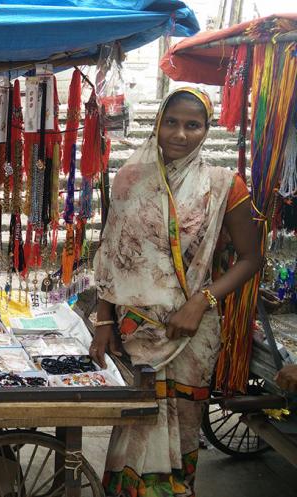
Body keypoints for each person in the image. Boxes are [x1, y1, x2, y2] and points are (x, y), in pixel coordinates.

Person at [90, 87, 263, 496]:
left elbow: (252, 258)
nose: (180, 134)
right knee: (134, 427)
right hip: (136, 328)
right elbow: (113, 253)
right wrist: (102, 319)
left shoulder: (223, 186)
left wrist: (202, 301)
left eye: (192, 125)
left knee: (181, 432)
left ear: (206, 130)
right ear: (158, 124)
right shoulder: (131, 178)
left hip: (192, 331)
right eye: (172, 122)